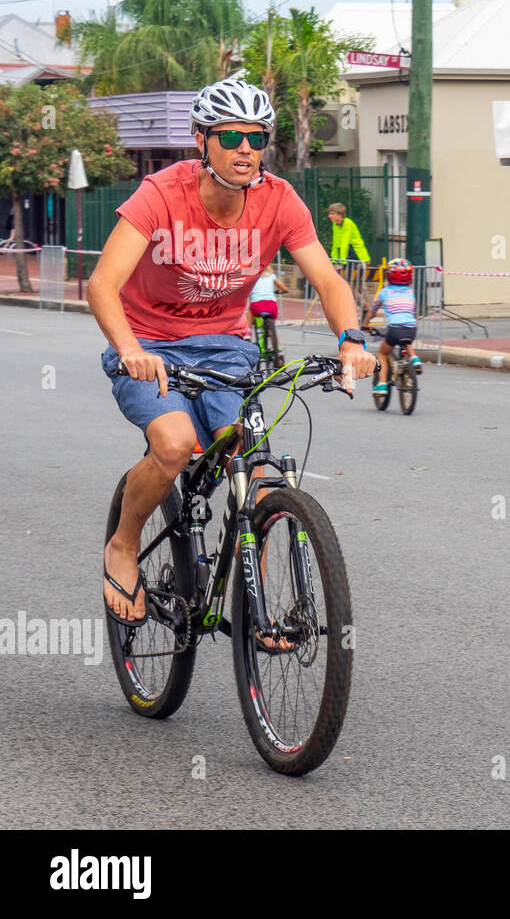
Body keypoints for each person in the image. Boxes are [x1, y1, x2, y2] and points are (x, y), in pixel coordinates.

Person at [90, 78, 376, 629]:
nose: (247, 148)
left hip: (225, 348)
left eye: (257, 137)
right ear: (202, 139)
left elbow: (328, 279)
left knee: (246, 457)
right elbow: (103, 284)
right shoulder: (160, 193)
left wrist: (351, 339)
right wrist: (128, 348)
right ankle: (124, 546)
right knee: (174, 446)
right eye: (232, 136)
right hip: (148, 344)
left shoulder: (279, 199)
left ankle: (255, 608)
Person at [362, 258, 422, 394]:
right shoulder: (410, 292)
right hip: (411, 328)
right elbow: (414, 313)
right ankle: (414, 359)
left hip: (395, 328)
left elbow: (373, 310)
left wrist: (365, 324)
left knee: (383, 354)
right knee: (406, 339)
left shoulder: (385, 292)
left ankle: (382, 384)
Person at [327, 202, 370, 306]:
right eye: (330, 213)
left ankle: (367, 308)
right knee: (357, 285)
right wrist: (334, 261)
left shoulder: (348, 224)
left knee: (351, 285)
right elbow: (336, 245)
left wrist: (340, 263)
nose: (330, 216)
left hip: (359, 258)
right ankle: (369, 309)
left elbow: (344, 244)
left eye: (332, 213)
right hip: (349, 259)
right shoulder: (335, 225)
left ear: (340, 214)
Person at [246, 266, 288, 360]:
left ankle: (248, 333)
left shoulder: (252, 276)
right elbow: (285, 289)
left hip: (257, 305)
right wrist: (279, 291)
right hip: (271, 306)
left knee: (250, 311)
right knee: (271, 327)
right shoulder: (272, 276)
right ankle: (277, 349)